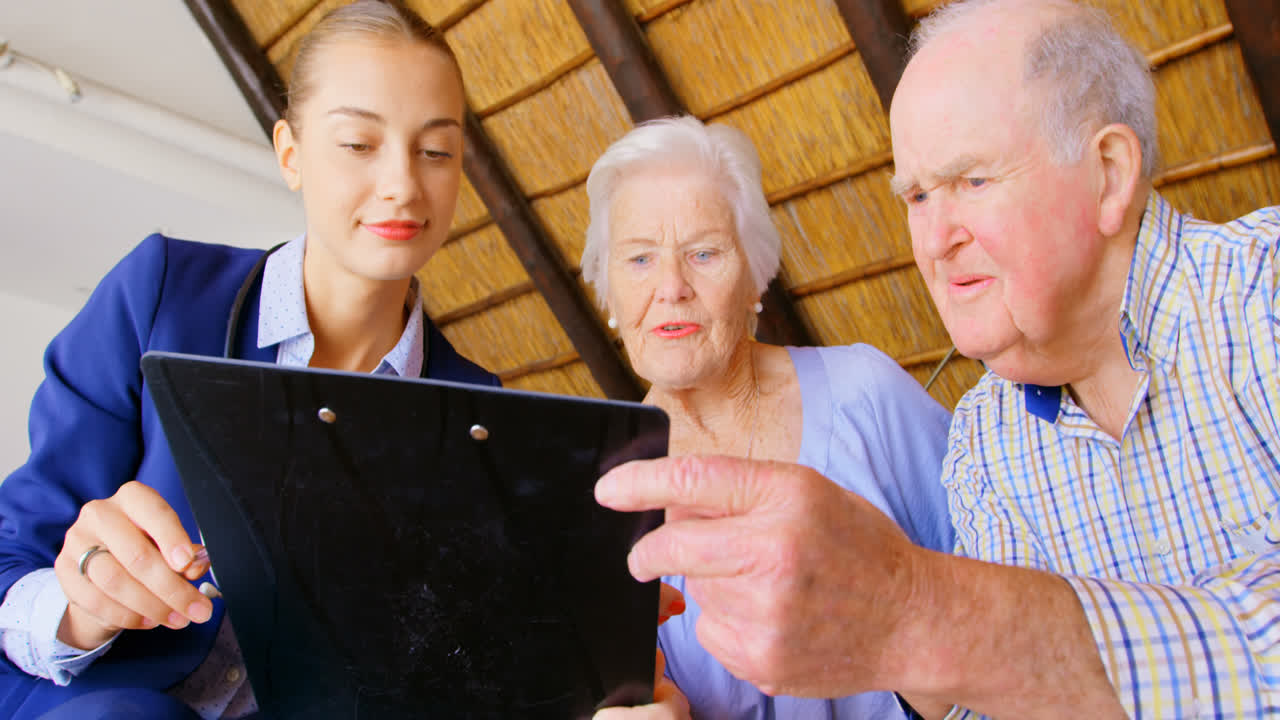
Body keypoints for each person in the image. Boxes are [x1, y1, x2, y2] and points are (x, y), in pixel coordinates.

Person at [594, 0, 1280, 717]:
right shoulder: (988, 444)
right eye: (918, 195)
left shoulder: (1263, 298)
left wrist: (917, 610)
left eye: (972, 181)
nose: (934, 238)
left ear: (1108, 172)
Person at [0, 2, 499, 717]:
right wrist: (84, 607)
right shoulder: (160, 296)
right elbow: (12, 555)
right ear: (290, 153)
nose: (403, 184)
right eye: (359, 143)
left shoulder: (478, 413)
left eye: (437, 151)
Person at [581, 115, 955, 719]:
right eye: (640, 259)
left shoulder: (866, 396)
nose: (672, 286)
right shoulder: (600, 495)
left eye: (703, 253)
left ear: (755, 273)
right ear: (610, 297)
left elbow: (998, 587)